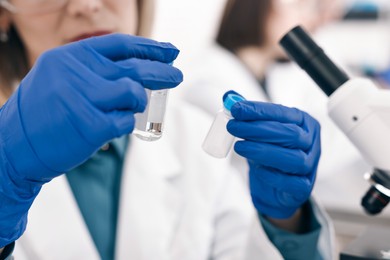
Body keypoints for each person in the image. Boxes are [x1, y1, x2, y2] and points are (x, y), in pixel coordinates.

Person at [0, 0, 332, 259]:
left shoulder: (194, 138)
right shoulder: (6, 151)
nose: (87, 5)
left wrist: (287, 227)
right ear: (5, 13)